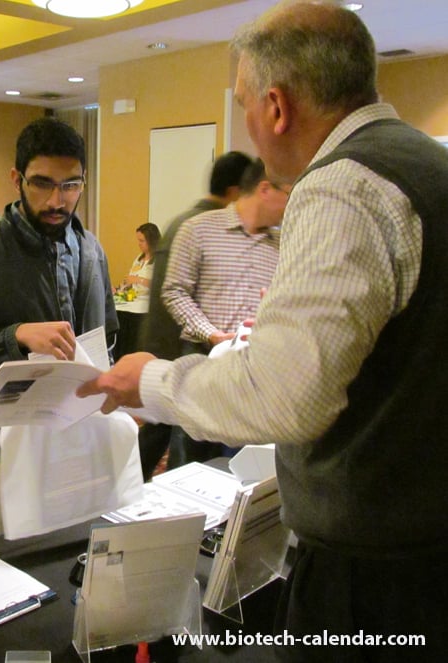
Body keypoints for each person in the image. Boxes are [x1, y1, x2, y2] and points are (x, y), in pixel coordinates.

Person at [78, 2, 448, 659]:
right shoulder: (427, 164)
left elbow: (287, 395)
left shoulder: (342, 188)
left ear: (275, 107)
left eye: (244, 104)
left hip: (375, 573)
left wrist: (155, 381)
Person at [0, 117, 118, 542]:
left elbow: (106, 340)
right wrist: (14, 337)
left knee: (72, 568)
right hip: (2, 458)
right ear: (17, 178)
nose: (58, 199)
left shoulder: (91, 250)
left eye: (71, 185)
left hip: (76, 445)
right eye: (42, 184)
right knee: (2, 584)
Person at [161, 157, 285, 467]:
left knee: (243, 462)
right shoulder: (198, 229)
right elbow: (174, 290)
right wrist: (212, 334)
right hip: (201, 360)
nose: (291, 205)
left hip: (254, 370)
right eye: (289, 194)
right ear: (265, 189)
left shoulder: (284, 242)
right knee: (190, 459)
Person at [136, 151, 252, 480]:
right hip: (179, 349)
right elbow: (181, 297)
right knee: (180, 441)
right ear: (235, 191)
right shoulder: (204, 228)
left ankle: (131, 493)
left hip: (164, 344)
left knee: (161, 434)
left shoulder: (183, 222)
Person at [119, 222, 160, 299]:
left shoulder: (159, 259)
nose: (139, 244)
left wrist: (139, 280)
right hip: (135, 299)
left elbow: (159, 286)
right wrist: (125, 285)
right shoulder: (139, 258)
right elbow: (132, 279)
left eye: (142, 241)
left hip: (149, 302)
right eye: (138, 240)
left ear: (151, 241)